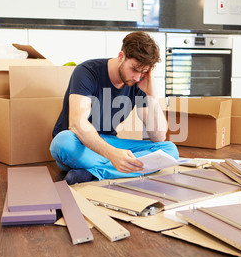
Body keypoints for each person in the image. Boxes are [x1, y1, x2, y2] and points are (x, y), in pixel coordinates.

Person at [50, 31, 179, 184]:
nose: (137, 77)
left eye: (144, 72)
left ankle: (93, 173)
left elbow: (158, 137)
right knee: (62, 142)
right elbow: (77, 124)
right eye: (135, 69)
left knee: (169, 150)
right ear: (121, 56)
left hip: (109, 142)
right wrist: (113, 155)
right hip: (78, 143)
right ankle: (118, 168)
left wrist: (151, 95)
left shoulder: (139, 83)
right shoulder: (87, 72)